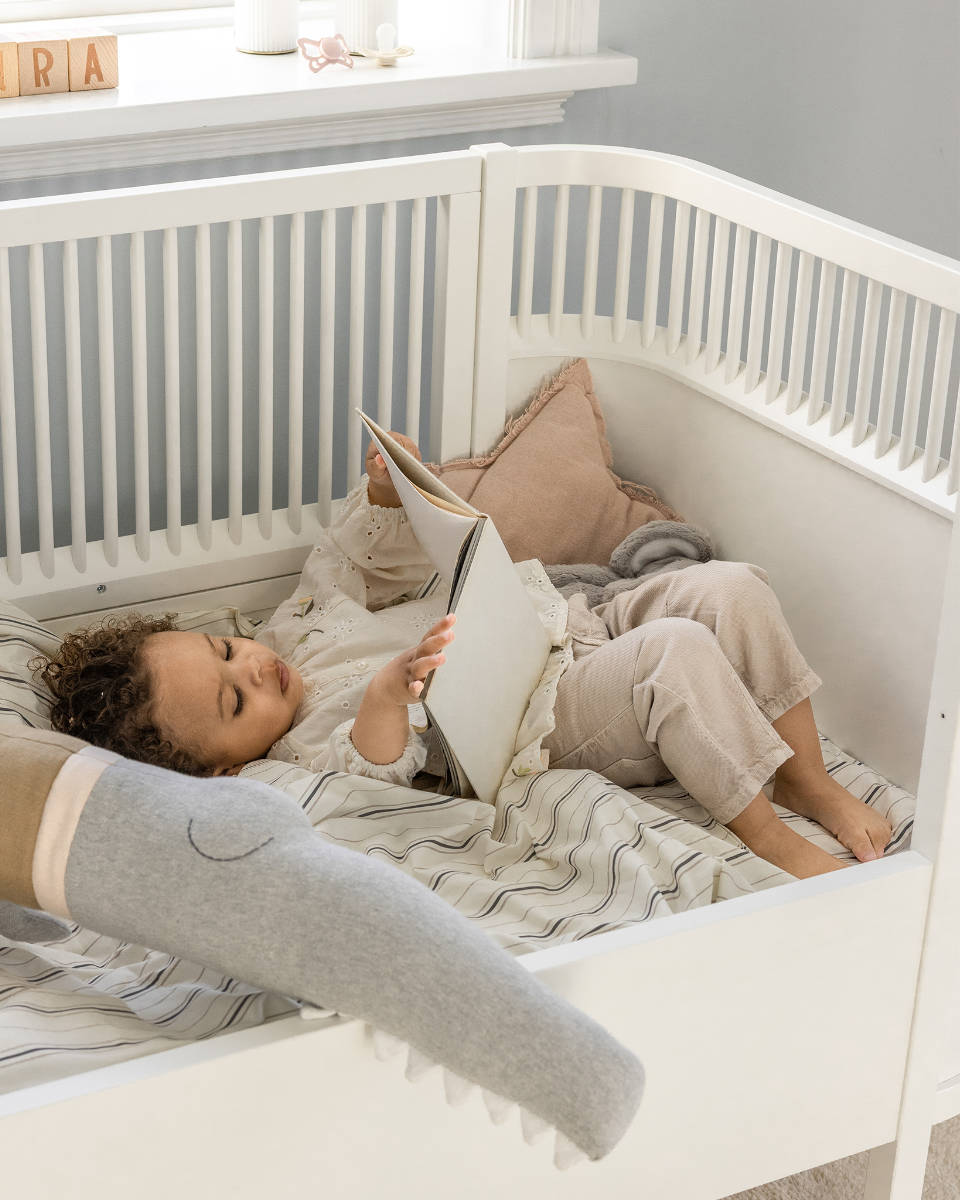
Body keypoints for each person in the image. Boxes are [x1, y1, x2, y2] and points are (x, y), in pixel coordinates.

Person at [38, 433, 891, 880]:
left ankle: (807, 778)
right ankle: (766, 832)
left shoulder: (293, 630)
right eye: (233, 702)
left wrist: (386, 496)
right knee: (676, 653)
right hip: (547, 714)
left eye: (226, 649)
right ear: (223, 770)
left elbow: (350, 560)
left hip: (561, 621)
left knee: (731, 588)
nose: (252, 670)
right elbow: (372, 771)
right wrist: (386, 696)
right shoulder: (296, 758)